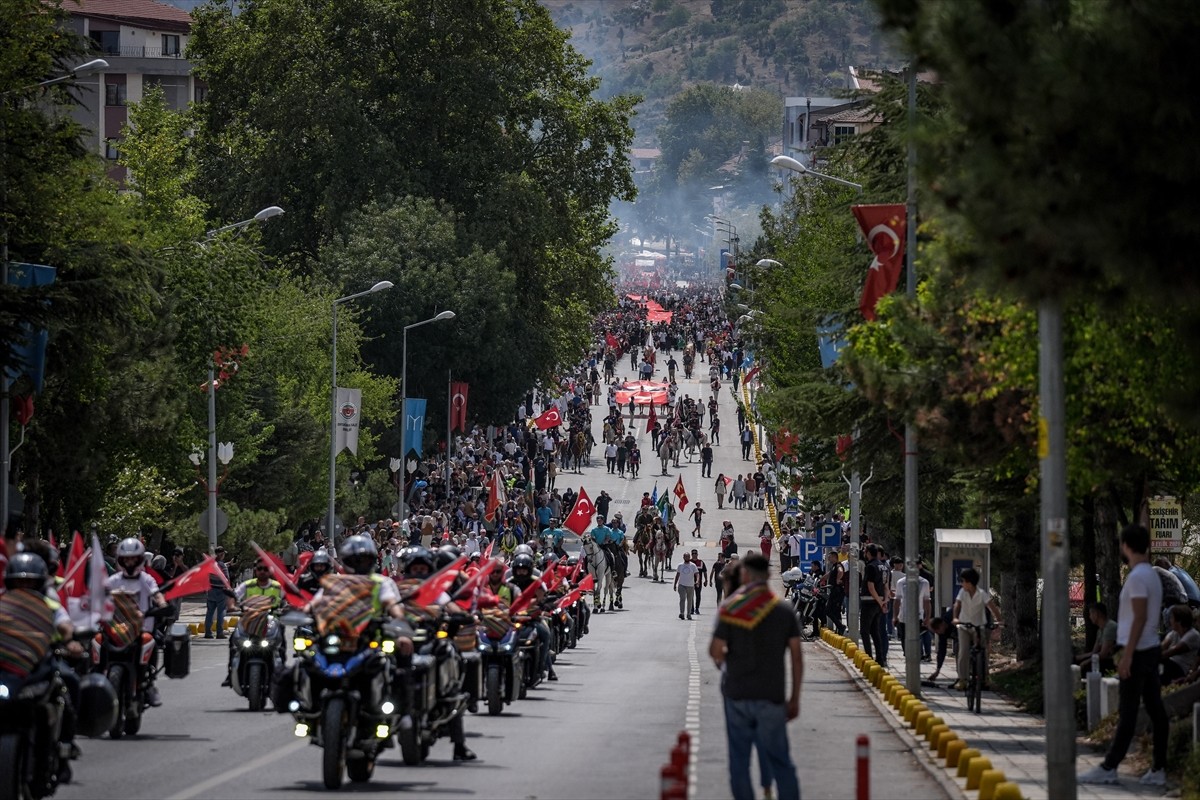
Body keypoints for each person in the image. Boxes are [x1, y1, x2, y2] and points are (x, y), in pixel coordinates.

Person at [1080, 524, 1168, 787]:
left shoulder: (1139, 577)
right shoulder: (1150, 574)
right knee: (1155, 711)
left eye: (1121, 544)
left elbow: (1139, 617)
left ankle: (1109, 766)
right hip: (1149, 649)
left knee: (1128, 711)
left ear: (1127, 546)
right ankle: (1159, 768)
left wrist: (1127, 655)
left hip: (1139, 651)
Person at [709, 553, 802, 800]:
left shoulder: (731, 608)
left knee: (739, 763)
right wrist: (794, 699)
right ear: (769, 576)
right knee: (781, 761)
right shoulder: (783, 610)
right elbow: (796, 657)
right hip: (771, 696)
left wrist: (733, 653)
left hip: (737, 694)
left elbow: (715, 651)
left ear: (745, 575)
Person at [106, 537, 169, 707]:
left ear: (140, 559)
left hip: (142, 629)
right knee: (95, 641)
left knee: (152, 643)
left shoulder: (146, 579)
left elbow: (156, 594)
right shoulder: (114, 580)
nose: (130, 561)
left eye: (133, 558)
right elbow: (100, 596)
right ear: (120, 559)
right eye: (126, 558)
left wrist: (162, 604)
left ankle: (148, 683)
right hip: (115, 629)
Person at [950, 566, 1001, 689]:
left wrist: (1000, 620)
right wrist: (955, 618)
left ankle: (985, 678)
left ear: (969, 582)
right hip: (964, 626)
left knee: (983, 651)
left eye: (963, 581)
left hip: (979, 626)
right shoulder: (962, 593)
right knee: (963, 652)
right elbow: (957, 605)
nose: (961, 583)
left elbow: (992, 607)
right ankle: (963, 679)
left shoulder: (982, 594)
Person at [859, 544, 887, 669]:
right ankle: (880, 658)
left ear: (868, 553)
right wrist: (883, 601)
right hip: (879, 601)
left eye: (865, 552)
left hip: (869, 602)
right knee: (875, 631)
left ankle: (868, 658)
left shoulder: (870, 566)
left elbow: (871, 587)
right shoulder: (884, 566)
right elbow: (886, 586)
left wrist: (880, 602)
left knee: (865, 631)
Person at [1074, 602, 1119, 675]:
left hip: (1113, 660)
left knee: (1087, 666)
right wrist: (1077, 657)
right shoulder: (1100, 630)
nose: (1090, 616)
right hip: (1103, 658)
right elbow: (1094, 652)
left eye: (1091, 613)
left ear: (1097, 614)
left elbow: (1103, 654)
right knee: (1075, 661)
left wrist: (1086, 662)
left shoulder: (1110, 627)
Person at [1160, 604, 1200, 684]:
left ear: (1179, 621)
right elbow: (1162, 646)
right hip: (1171, 666)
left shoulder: (1193, 635)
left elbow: (1174, 650)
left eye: (1172, 618)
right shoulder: (1174, 633)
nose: (1170, 620)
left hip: (1181, 669)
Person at [204, 545, 233, 639]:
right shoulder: (222, 565)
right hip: (221, 592)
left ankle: (208, 633)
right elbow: (226, 578)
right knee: (221, 612)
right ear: (221, 554)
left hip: (211, 591)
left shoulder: (211, 564)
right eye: (223, 554)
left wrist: (228, 564)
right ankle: (219, 633)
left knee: (209, 612)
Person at [674, 552, 698, 620]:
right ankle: (682, 613)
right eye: (685, 557)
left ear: (689, 557)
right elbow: (677, 575)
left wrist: (697, 581)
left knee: (690, 600)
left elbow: (697, 574)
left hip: (690, 585)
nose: (687, 558)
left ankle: (688, 614)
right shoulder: (680, 565)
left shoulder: (693, 565)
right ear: (683, 557)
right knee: (682, 599)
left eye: (688, 557)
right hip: (682, 585)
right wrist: (675, 584)